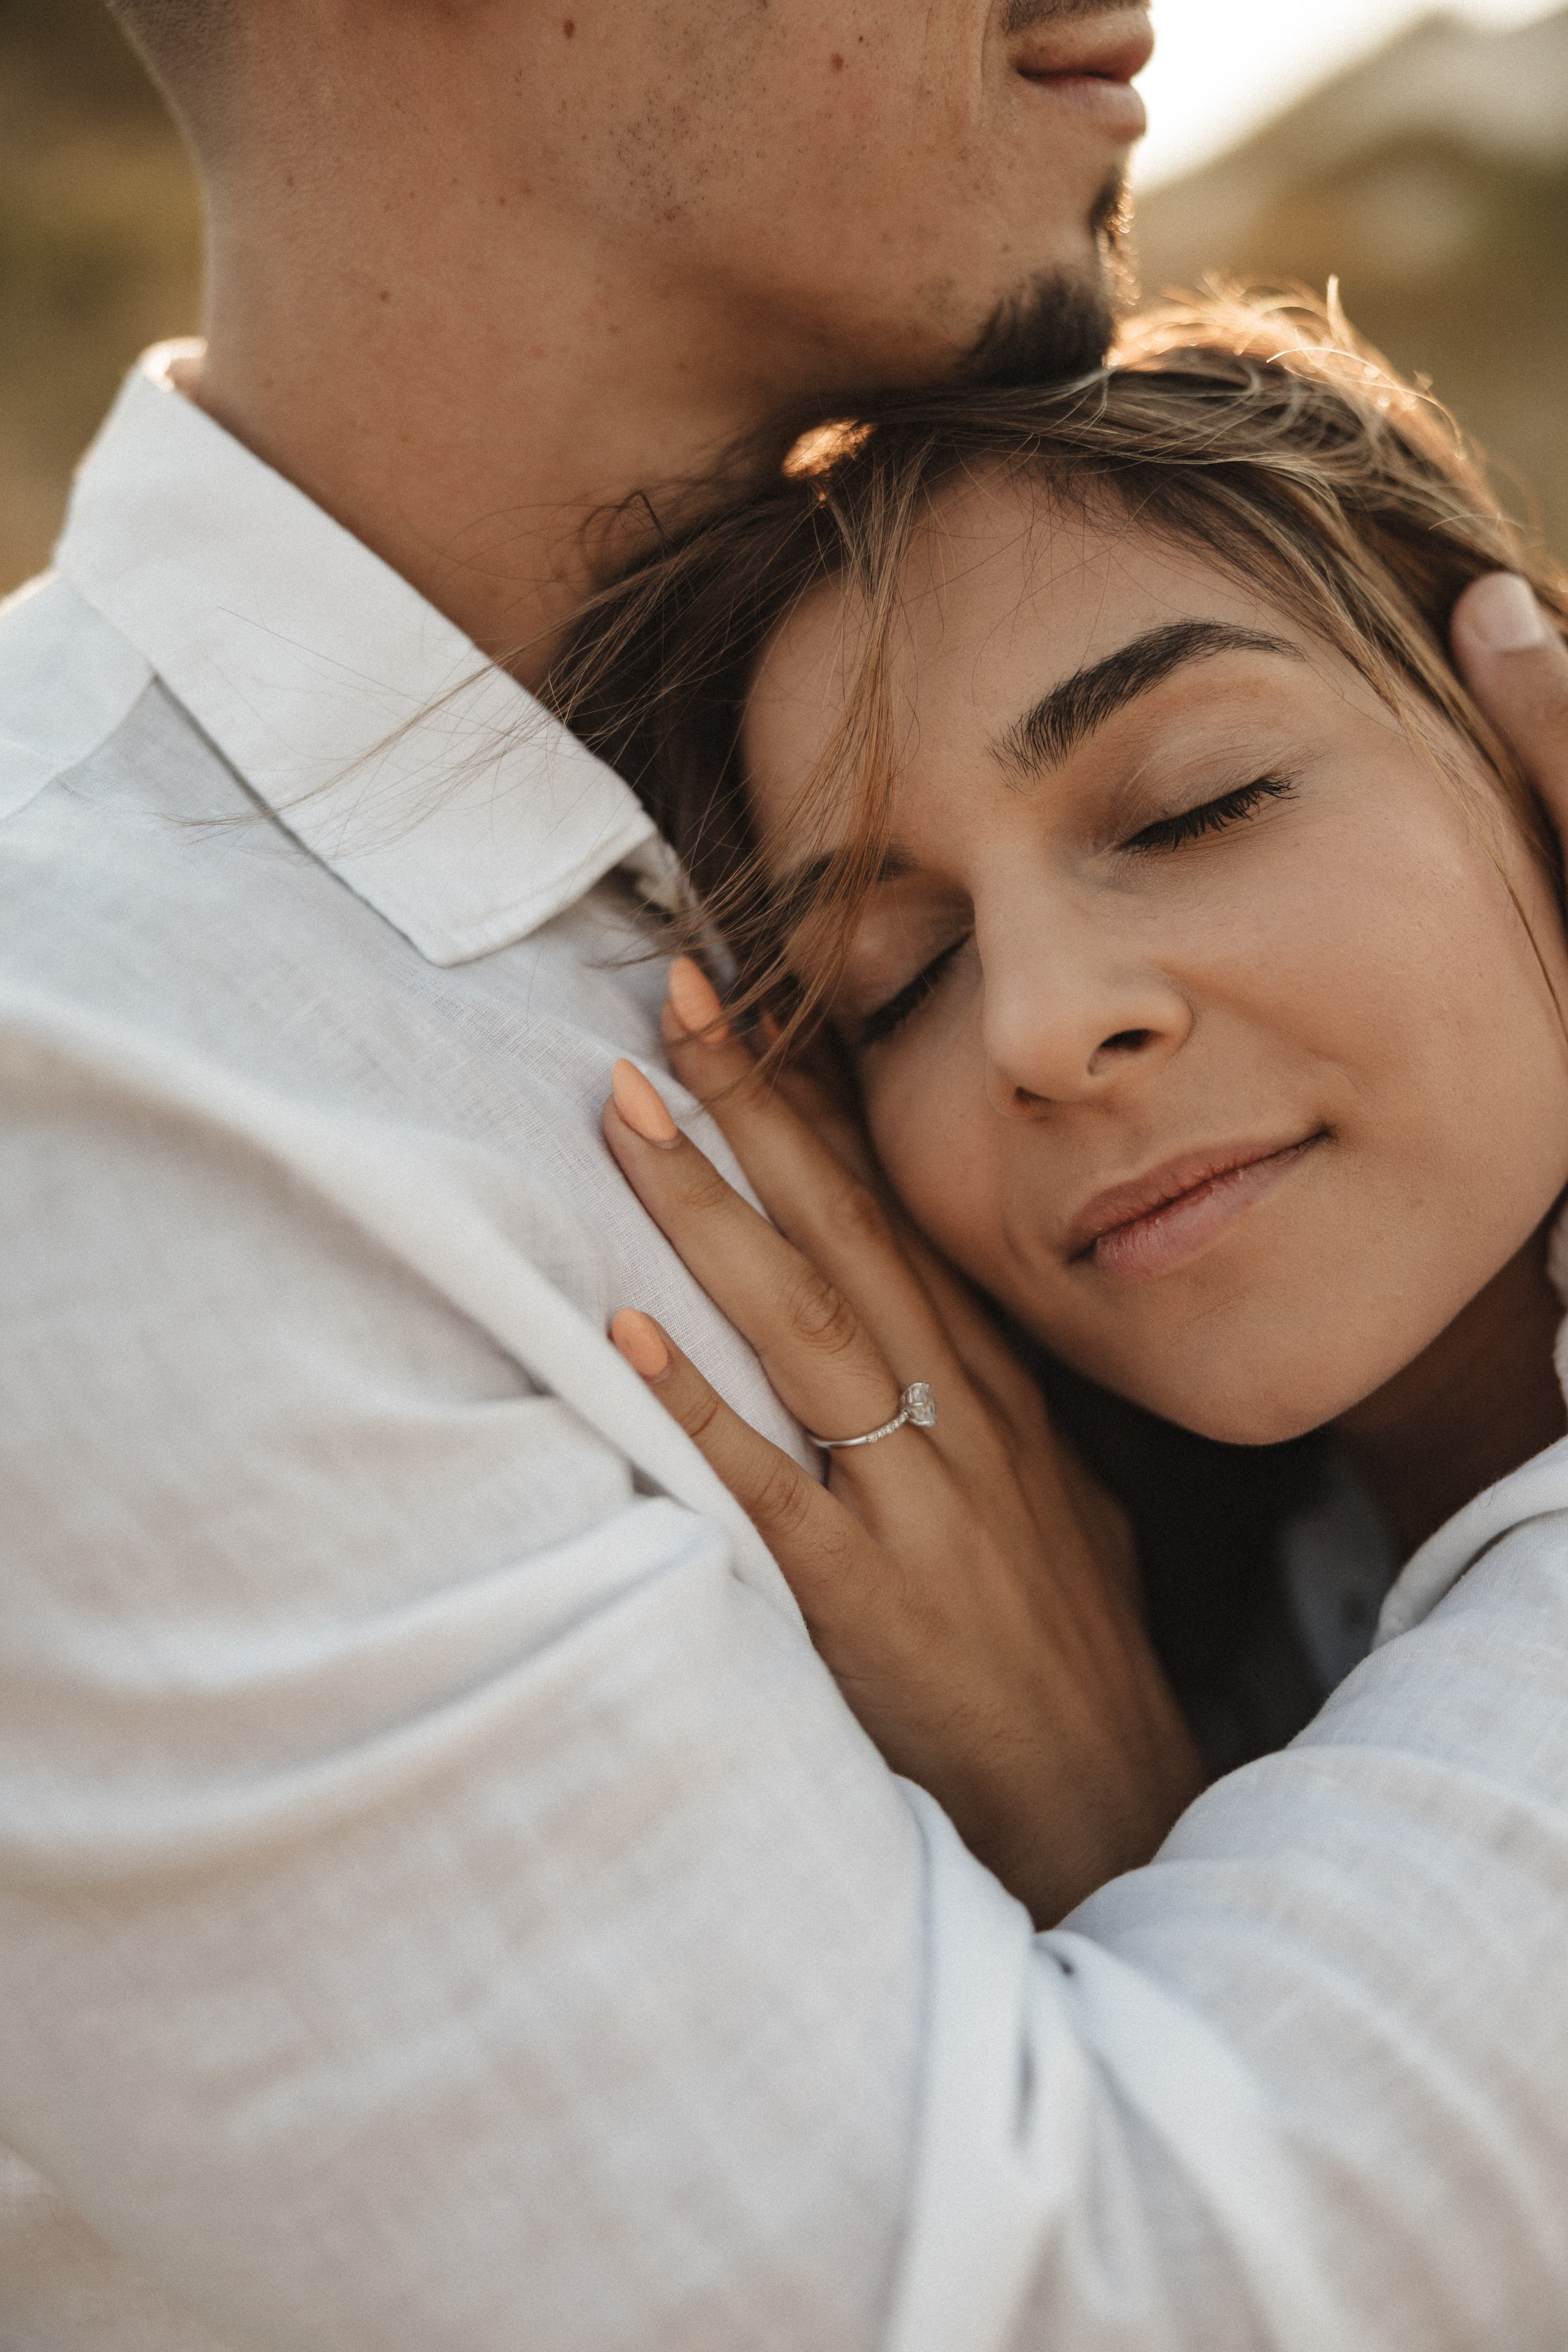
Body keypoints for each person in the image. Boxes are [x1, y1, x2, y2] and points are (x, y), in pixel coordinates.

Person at [0, 0, 1566, 2335]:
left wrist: (1129, 1847)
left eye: (1198, 809)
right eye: (891, 972)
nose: (1045, 1032)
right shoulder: (95, 1076)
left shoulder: (878, 725)